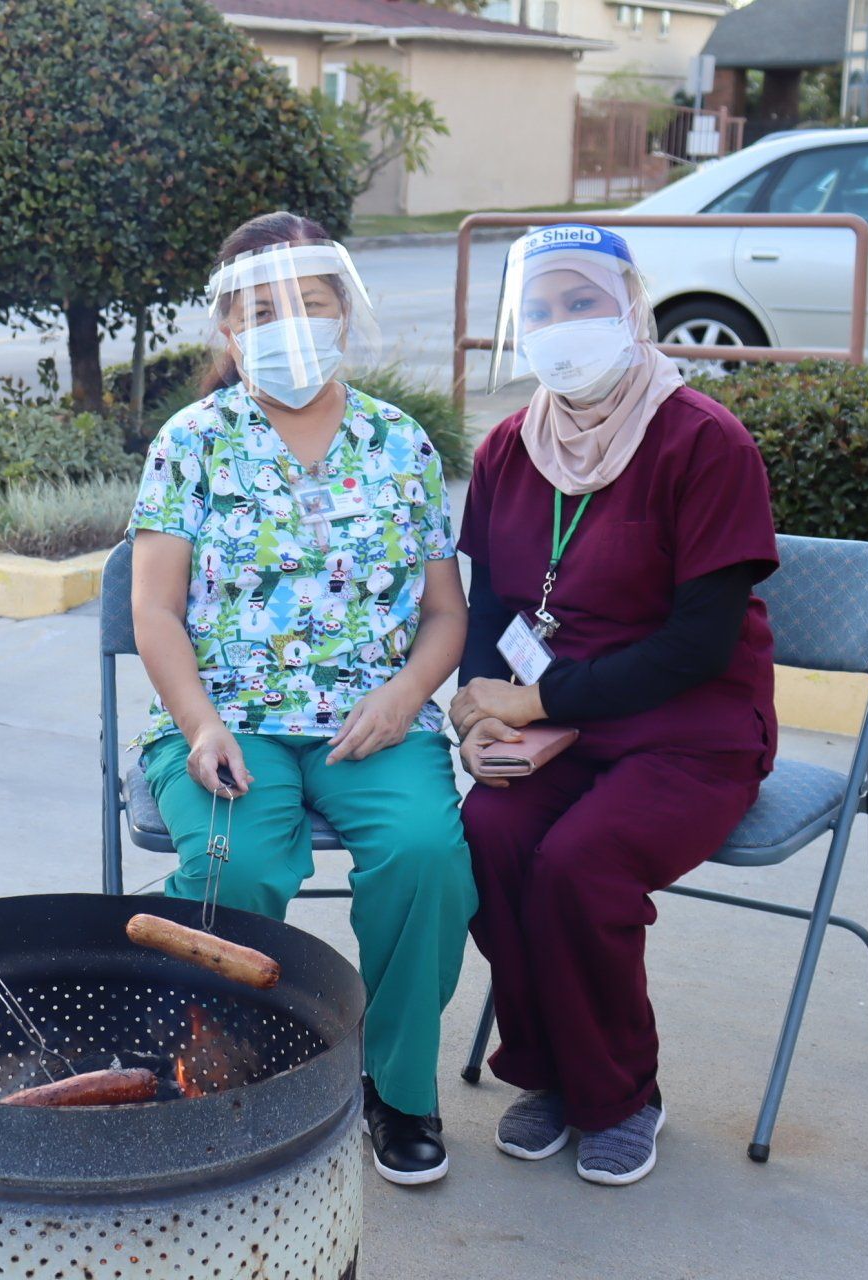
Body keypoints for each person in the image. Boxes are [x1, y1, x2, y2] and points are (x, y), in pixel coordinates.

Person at [129, 212, 477, 1186]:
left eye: (311, 305)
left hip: (373, 719)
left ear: (344, 316)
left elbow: (445, 613)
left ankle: (399, 1086)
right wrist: (198, 722)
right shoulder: (193, 444)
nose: (290, 326)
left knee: (426, 856)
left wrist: (410, 691)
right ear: (229, 328)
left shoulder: (399, 443)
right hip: (226, 715)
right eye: (264, 309)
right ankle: (223, 1062)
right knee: (232, 857)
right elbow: (153, 610)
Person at [451, 224, 778, 1186]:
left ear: (632, 308)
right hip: (555, 729)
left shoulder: (704, 442)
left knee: (579, 864)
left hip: (694, 727)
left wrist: (537, 693)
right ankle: (547, 1074)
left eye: (582, 301)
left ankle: (622, 1093)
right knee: (490, 835)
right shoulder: (511, 448)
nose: (562, 326)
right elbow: (495, 606)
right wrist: (480, 717)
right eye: (540, 309)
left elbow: (699, 644)